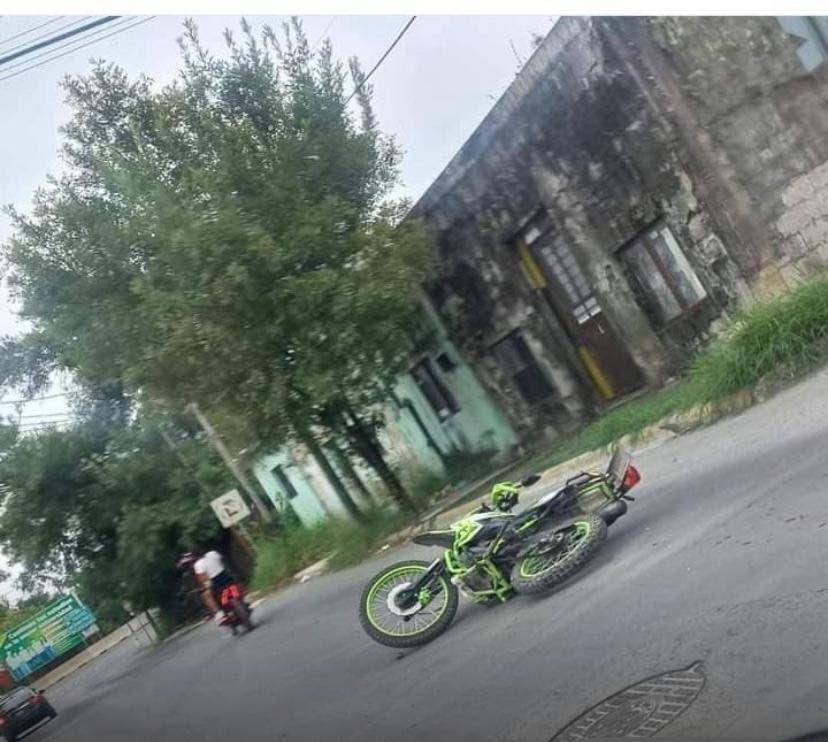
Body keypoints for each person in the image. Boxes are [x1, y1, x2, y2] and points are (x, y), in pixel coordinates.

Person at [177, 548, 236, 625]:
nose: (190, 564)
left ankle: (219, 614)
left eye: (190, 562)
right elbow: (222, 562)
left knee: (207, 595)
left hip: (212, 583)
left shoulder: (198, 565)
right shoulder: (212, 554)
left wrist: (205, 586)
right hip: (224, 576)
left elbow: (203, 579)